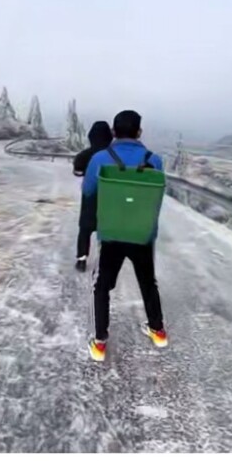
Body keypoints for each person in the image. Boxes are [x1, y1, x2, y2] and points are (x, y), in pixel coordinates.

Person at [81, 110, 166, 362]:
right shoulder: (155, 159)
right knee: (148, 282)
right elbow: (158, 194)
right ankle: (158, 331)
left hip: (112, 232)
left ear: (114, 133)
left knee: (102, 286)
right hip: (142, 233)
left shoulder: (100, 158)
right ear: (139, 132)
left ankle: (99, 343)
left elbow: (87, 191)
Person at [71, 121, 114, 272]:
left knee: (85, 228)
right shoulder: (114, 155)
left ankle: (81, 259)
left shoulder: (85, 155)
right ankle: (106, 260)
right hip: (110, 197)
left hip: (90, 196)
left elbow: (77, 171)